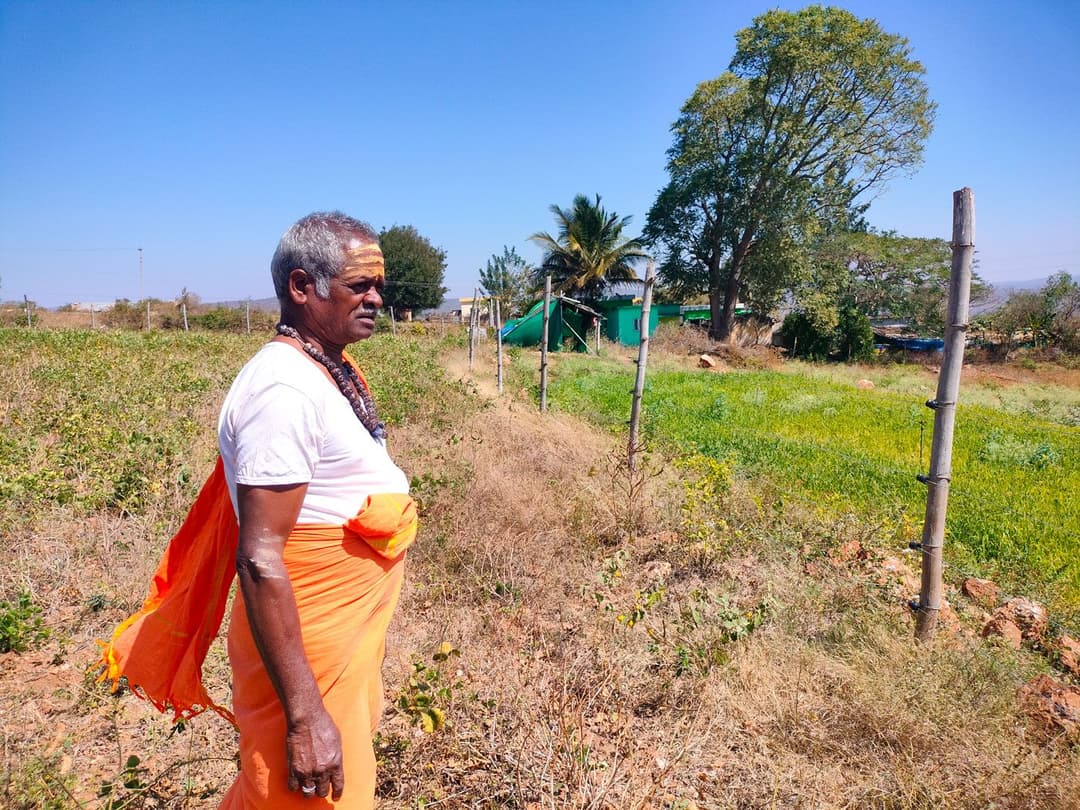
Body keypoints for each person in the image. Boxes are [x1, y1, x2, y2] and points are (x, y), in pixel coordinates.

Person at [99, 211, 418, 809]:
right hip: (308, 662)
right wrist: (306, 716)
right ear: (301, 287)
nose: (377, 298)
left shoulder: (324, 367)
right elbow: (261, 557)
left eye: (378, 285)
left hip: (334, 647)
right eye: (359, 285)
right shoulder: (283, 391)